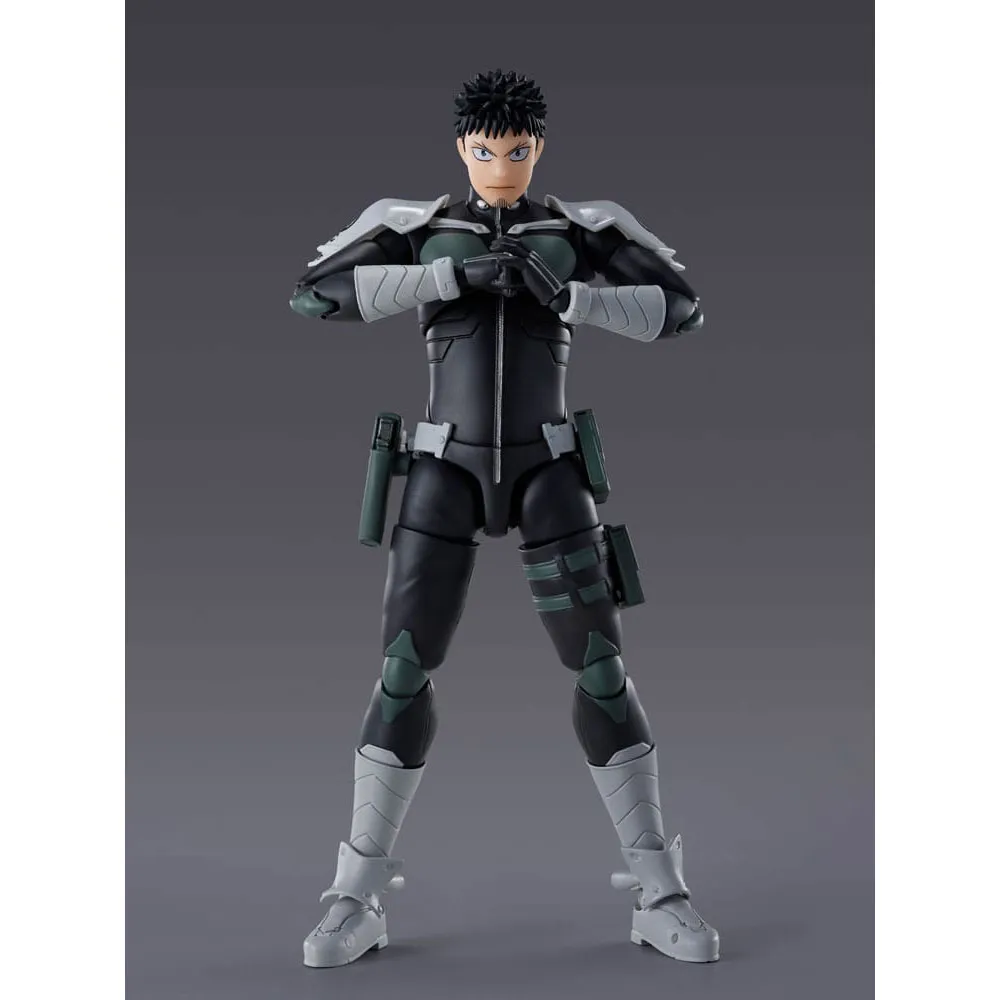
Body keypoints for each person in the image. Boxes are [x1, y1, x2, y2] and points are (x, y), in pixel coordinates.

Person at [289, 68, 719, 968]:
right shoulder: (414, 223)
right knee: (402, 669)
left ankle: (660, 891)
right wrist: (448, 273)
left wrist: (571, 296)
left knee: (601, 667)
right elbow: (315, 293)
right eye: (485, 151)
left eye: (516, 150)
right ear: (461, 147)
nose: (500, 167)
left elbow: (683, 310)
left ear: (539, 147)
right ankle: (354, 897)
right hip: (442, 469)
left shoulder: (580, 229)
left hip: (547, 469)